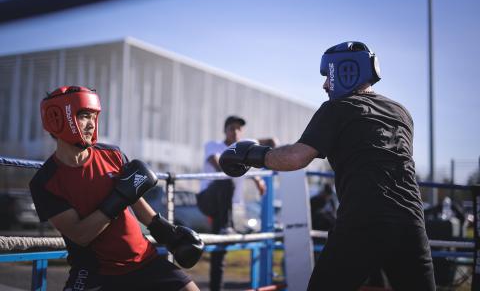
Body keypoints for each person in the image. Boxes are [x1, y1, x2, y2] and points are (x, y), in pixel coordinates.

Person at [219, 42, 436, 291]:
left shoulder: (337, 108)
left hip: (363, 219)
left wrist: (249, 154)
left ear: (345, 71)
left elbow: (295, 157)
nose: (324, 86)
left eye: (327, 77)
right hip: (411, 222)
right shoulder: (401, 112)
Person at [29, 86, 204, 291]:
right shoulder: (45, 182)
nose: (91, 124)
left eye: (94, 117)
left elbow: (134, 198)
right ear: (57, 118)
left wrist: (166, 232)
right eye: (84, 116)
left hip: (144, 261)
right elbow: (80, 235)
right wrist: (119, 197)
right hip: (96, 272)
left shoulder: (112, 155)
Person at [196, 115, 276, 291]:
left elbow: (269, 141)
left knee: (220, 251)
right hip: (208, 200)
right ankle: (226, 225)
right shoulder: (213, 145)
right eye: (232, 128)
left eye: (239, 129)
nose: (235, 132)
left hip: (228, 209)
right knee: (227, 176)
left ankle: (216, 288)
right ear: (225, 131)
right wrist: (254, 176)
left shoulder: (244, 147)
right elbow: (219, 164)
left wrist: (257, 178)